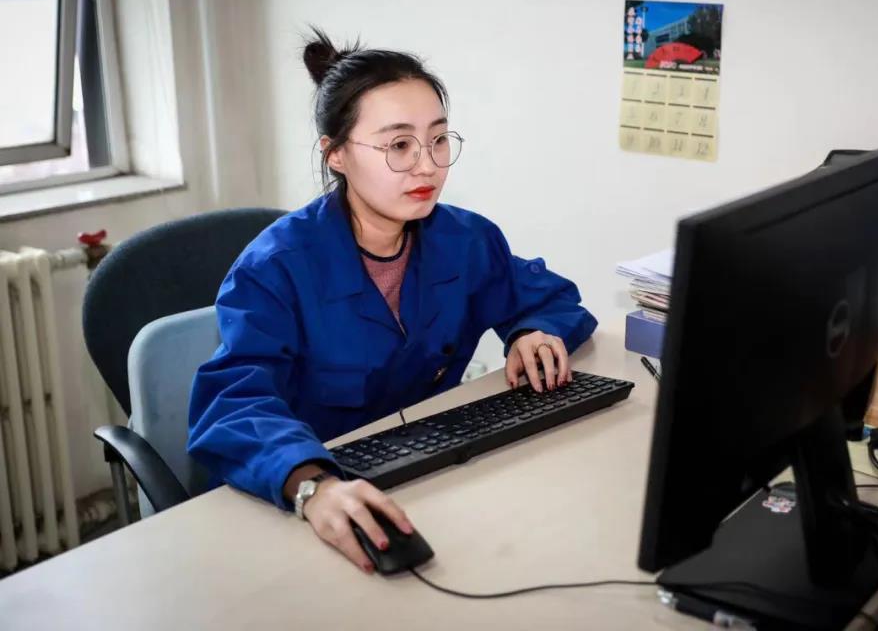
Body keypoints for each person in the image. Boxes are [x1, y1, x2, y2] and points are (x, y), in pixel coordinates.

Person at [187, 28, 598, 573]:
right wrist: (312, 487)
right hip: (308, 499)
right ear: (335, 155)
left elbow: (547, 298)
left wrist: (533, 330)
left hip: (426, 476)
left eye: (438, 139)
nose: (427, 166)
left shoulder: (465, 239)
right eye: (399, 145)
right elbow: (235, 404)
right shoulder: (275, 268)